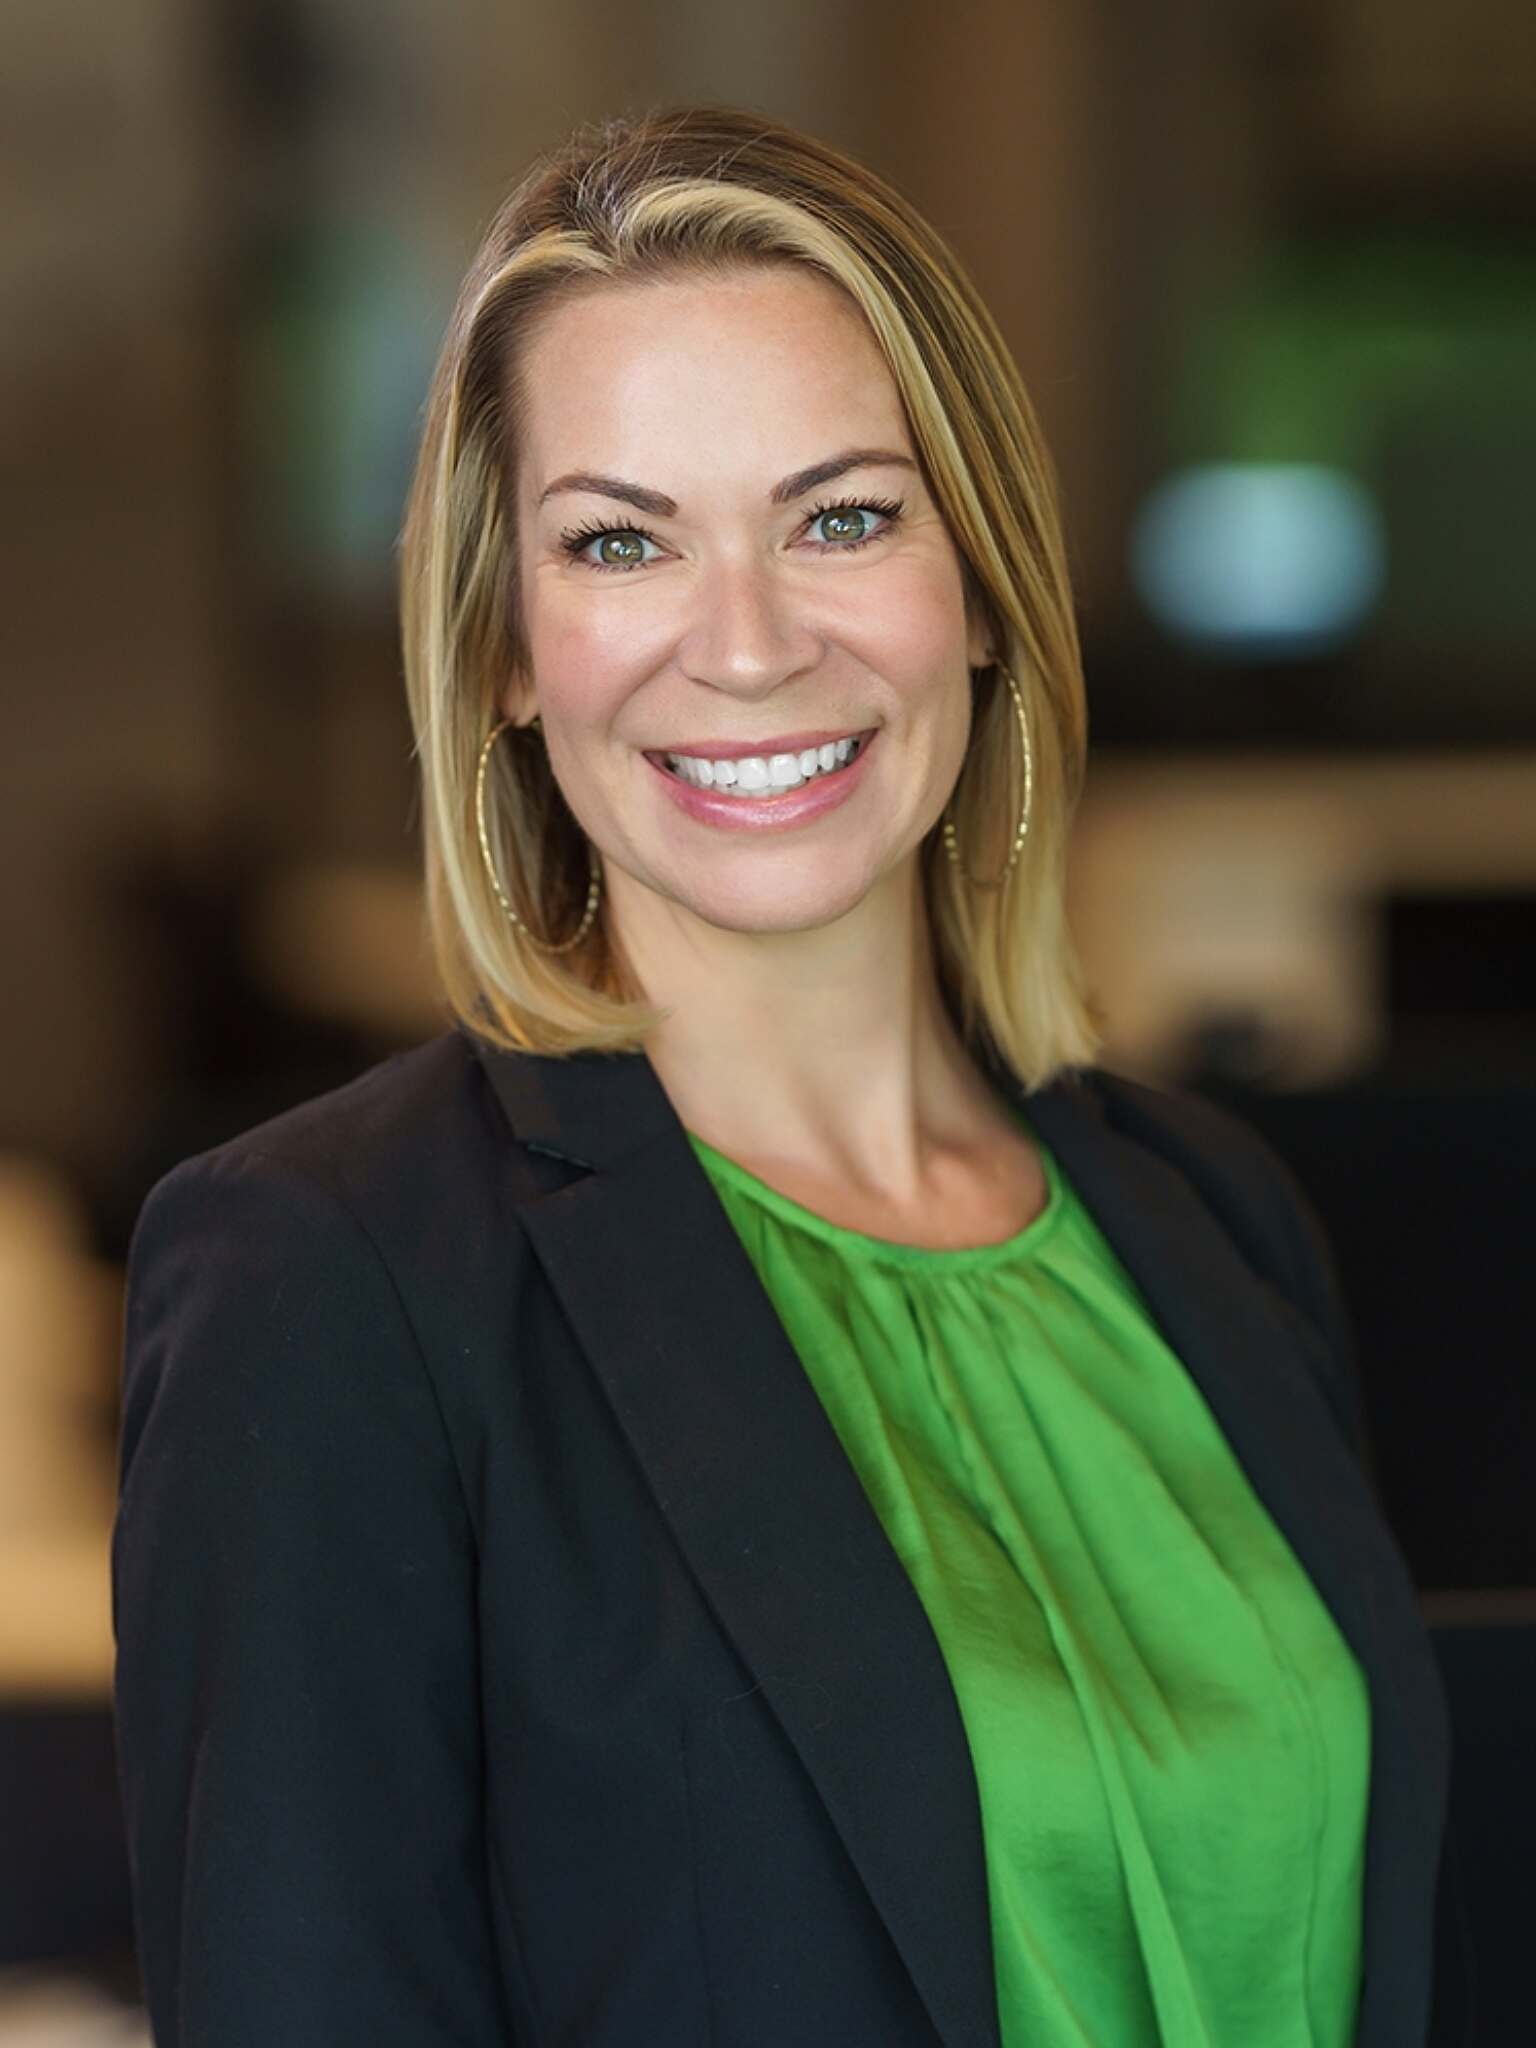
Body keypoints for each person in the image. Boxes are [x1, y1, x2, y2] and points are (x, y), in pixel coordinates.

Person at [111, 105, 1462, 2047]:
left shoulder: (1211, 1214)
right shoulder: (331, 1285)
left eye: (841, 515)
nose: (745, 646)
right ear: (507, 648)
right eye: (619, 541)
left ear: (980, 584)